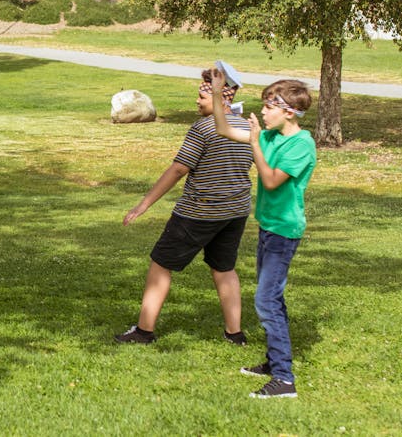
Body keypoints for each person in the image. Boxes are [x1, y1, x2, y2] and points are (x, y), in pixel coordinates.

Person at [115, 69, 254, 346]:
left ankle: (143, 332)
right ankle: (234, 334)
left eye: (202, 95)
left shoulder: (203, 128)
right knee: (224, 268)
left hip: (198, 212)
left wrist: (143, 204)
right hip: (235, 212)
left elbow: (179, 168)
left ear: (220, 96)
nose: (197, 100)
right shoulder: (249, 128)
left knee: (161, 264)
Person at [209, 69, 316, 399]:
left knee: (266, 301)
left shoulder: (301, 144)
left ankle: (284, 379)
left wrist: (255, 141)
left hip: (284, 232)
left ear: (287, 111)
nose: (262, 113)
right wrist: (216, 95)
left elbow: (270, 180)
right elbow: (224, 128)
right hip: (269, 228)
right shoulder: (270, 136)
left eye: (268, 107)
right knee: (273, 297)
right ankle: (274, 361)